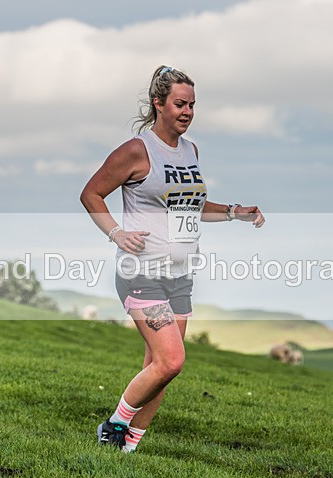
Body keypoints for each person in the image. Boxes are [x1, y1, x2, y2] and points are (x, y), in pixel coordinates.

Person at [80, 65, 265, 453]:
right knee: (171, 361)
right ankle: (113, 425)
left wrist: (234, 212)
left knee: (160, 371)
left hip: (181, 275)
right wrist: (117, 232)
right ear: (158, 104)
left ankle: (127, 448)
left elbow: (191, 207)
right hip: (142, 273)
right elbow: (91, 194)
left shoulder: (190, 151)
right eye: (180, 104)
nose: (187, 112)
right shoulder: (137, 150)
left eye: (192, 105)